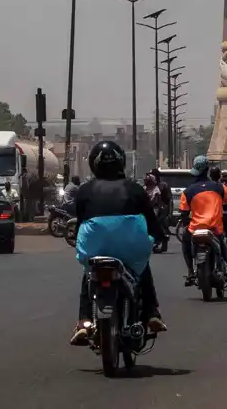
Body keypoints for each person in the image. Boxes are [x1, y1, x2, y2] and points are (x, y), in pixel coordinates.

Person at [68, 140, 166, 345]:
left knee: (89, 274)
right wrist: (159, 236)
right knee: (142, 270)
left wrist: (78, 239)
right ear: (121, 162)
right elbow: (151, 221)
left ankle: (84, 321)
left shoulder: (84, 190)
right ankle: (151, 313)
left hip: (94, 245)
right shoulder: (135, 189)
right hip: (131, 247)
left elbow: (81, 223)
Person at [178, 157, 227, 285]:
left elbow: (183, 212)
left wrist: (186, 221)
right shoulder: (220, 187)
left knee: (185, 241)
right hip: (215, 228)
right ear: (207, 170)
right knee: (223, 243)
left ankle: (190, 272)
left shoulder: (188, 191)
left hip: (195, 229)